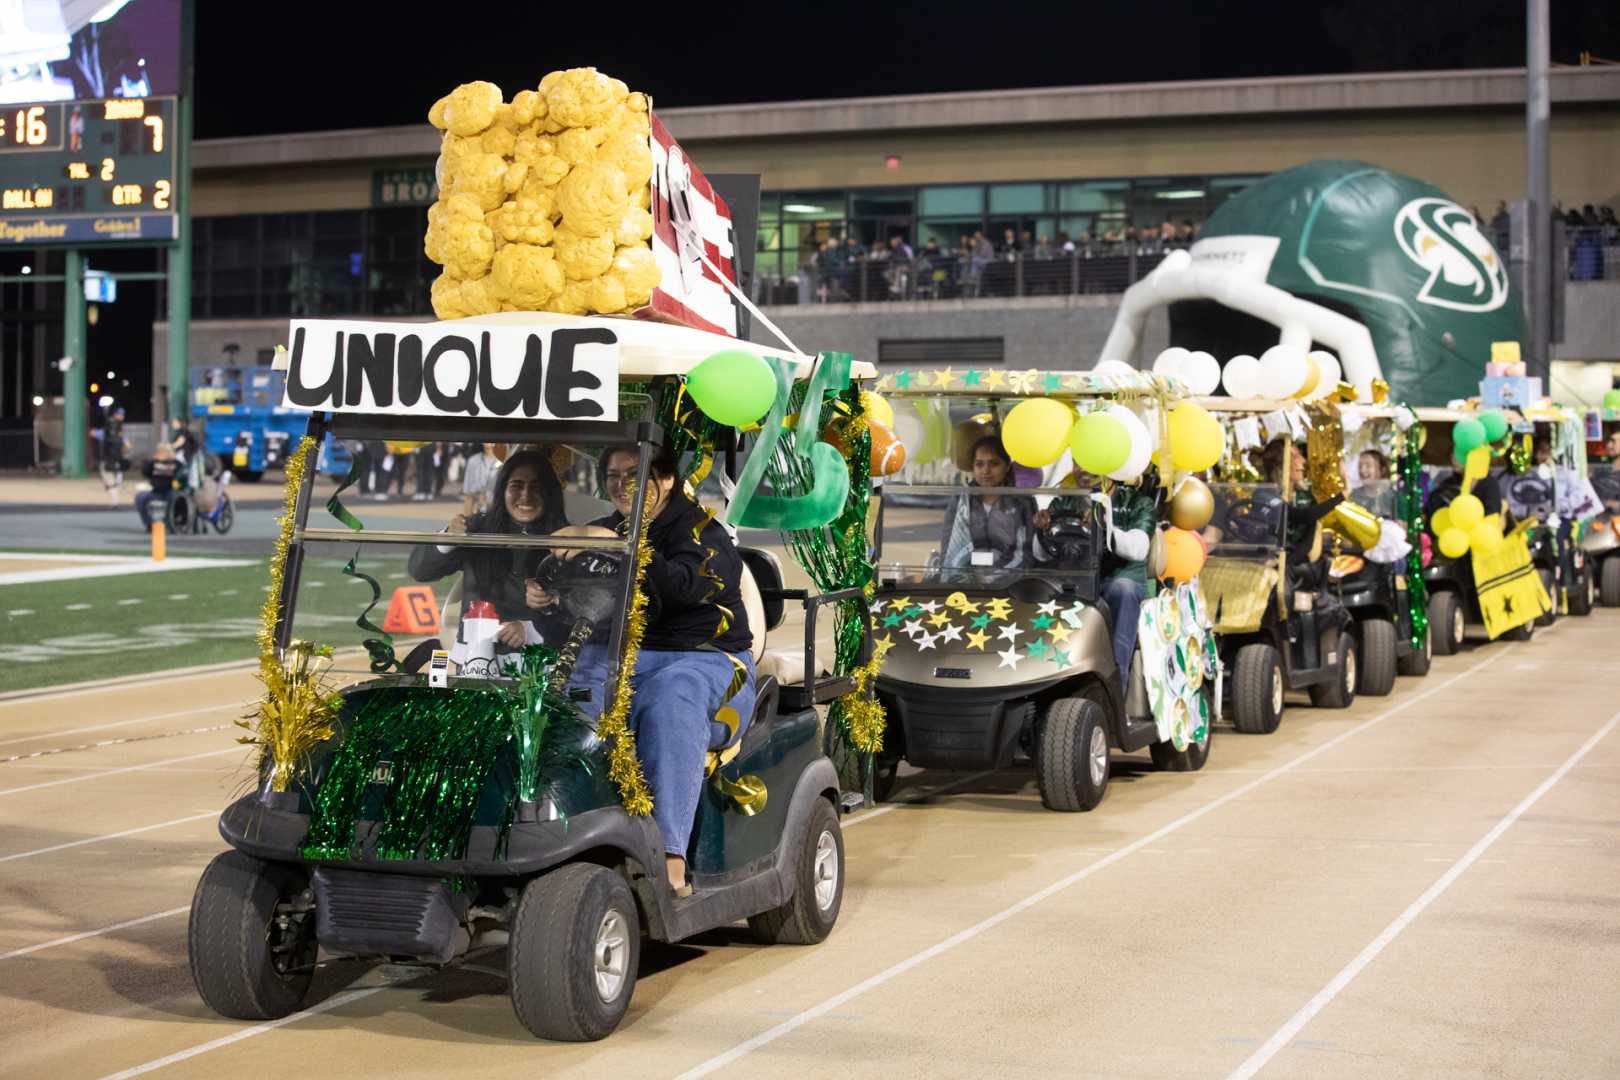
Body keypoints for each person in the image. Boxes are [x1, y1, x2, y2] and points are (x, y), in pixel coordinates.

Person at [550, 444, 756, 894]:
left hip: (708, 660)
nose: (621, 486)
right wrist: (543, 590)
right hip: (624, 659)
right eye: (612, 476)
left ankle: (669, 859)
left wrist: (620, 546)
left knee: (672, 698)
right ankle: (555, 833)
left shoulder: (705, 533)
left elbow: (679, 586)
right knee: (565, 692)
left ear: (664, 481)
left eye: (634, 475)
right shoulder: (610, 528)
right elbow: (576, 602)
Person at [407, 449, 569, 652]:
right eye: (516, 486)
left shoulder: (567, 539)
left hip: (540, 661)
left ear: (549, 493)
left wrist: (531, 629)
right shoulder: (477, 529)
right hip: (475, 658)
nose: (526, 495)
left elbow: (583, 612)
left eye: (536, 488)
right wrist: (448, 537)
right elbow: (419, 571)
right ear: (502, 491)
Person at [1038, 470, 1155, 695]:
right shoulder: (1064, 499)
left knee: (1121, 589)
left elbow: (1138, 549)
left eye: (1089, 463)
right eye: (1078, 462)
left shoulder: (1138, 502)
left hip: (1122, 579)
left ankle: (1115, 695)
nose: (1082, 469)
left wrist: (1103, 525)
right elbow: (1043, 556)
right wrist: (1041, 532)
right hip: (1077, 579)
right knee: (1040, 587)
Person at [939, 436, 1034, 571]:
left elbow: (1028, 554)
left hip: (1010, 583)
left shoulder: (1023, 502)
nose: (985, 471)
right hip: (967, 581)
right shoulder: (961, 500)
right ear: (973, 467)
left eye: (994, 463)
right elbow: (948, 550)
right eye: (979, 464)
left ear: (1007, 466)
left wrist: (998, 578)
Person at [135, 444, 181, 531]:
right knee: (140, 498)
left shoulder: (177, 464)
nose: (159, 454)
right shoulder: (154, 463)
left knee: (174, 499)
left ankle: (170, 522)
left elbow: (181, 477)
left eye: (161, 452)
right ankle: (149, 523)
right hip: (156, 491)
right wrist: (152, 462)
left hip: (171, 491)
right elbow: (146, 473)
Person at [1350, 449, 1397, 518]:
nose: (1362, 470)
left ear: (1382, 470)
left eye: (1368, 466)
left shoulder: (1394, 497)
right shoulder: (1353, 495)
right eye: (1360, 466)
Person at [98, 406, 130, 506]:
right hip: (112, 455)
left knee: (108, 475)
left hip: (109, 455)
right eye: (120, 414)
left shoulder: (113, 424)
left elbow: (112, 440)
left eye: (122, 414)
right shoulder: (114, 424)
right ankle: (115, 489)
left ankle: (115, 498)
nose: (122, 416)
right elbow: (115, 438)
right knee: (111, 475)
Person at [461, 442, 500, 517]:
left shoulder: (504, 460)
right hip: (479, 509)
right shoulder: (473, 461)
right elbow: (468, 494)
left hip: (498, 511)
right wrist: (468, 521)